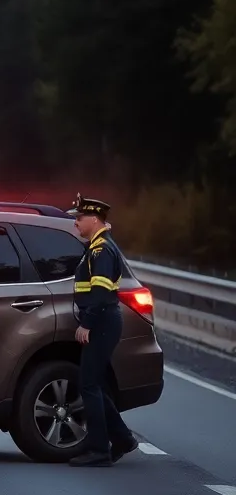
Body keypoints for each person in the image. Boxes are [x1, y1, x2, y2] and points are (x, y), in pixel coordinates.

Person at [67, 194, 139, 467]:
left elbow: (100, 291)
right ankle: (121, 438)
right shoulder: (98, 247)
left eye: (79, 218)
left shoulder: (101, 251)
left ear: (94, 219)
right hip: (103, 321)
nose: (76, 223)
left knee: (89, 384)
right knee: (93, 383)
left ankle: (99, 449)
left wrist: (87, 324)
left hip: (102, 322)